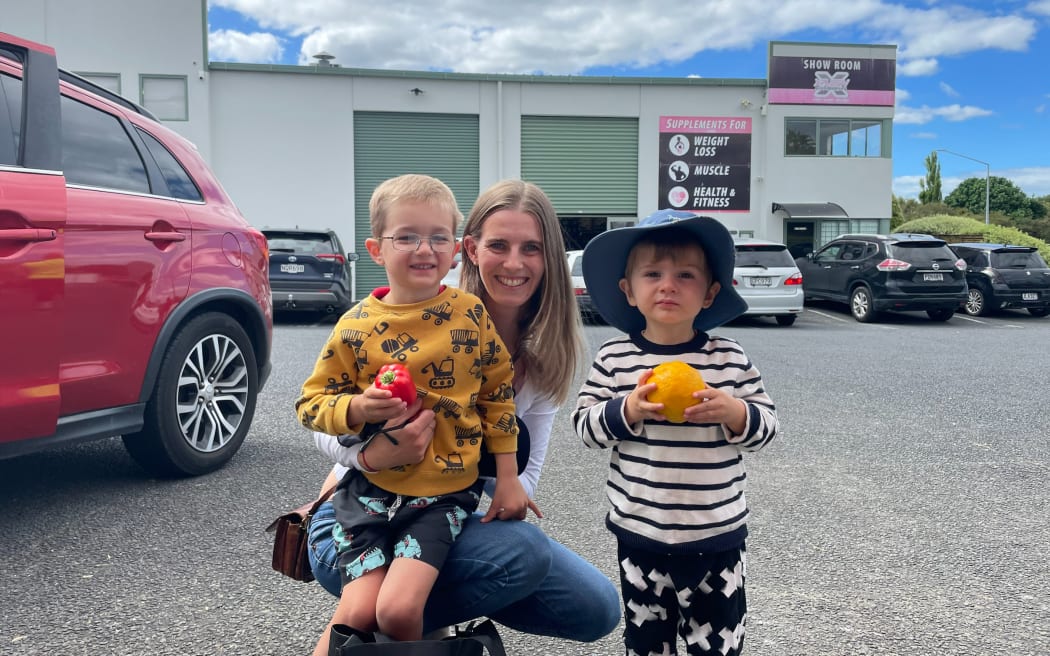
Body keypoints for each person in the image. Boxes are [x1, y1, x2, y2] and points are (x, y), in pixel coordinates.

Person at [307, 178, 622, 642]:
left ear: (549, 258)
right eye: (499, 245)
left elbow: (521, 478)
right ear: (471, 250)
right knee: (516, 555)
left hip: (445, 506)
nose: (514, 263)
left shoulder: (538, 357)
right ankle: (404, 625)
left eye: (531, 248)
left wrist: (452, 513)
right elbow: (320, 415)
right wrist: (369, 457)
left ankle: (406, 616)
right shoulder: (402, 308)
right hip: (363, 506)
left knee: (592, 604)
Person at [295, 174, 532, 652]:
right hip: (367, 496)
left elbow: (497, 395)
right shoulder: (354, 327)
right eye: (406, 236)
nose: (424, 249)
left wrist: (509, 478)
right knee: (358, 609)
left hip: (441, 499)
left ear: (455, 249)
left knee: (398, 609)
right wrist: (358, 408)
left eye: (437, 236)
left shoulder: (469, 314)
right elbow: (311, 404)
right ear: (376, 249)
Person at [571, 209, 780, 656]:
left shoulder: (729, 358)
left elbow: (767, 427)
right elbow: (584, 427)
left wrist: (735, 412)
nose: (668, 284)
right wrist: (626, 409)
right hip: (641, 536)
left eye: (686, 275)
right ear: (628, 290)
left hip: (715, 538)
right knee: (646, 643)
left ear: (710, 293)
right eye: (653, 273)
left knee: (718, 645)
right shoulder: (615, 357)